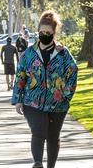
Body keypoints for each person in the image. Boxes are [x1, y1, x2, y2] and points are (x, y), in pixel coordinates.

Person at [12, 10, 78, 168]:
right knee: (38, 130)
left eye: (48, 32)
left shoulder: (63, 53)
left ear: (54, 33)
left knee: (53, 136)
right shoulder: (29, 53)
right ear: (37, 31)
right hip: (33, 101)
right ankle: (38, 163)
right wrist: (18, 100)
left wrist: (65, 95)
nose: (44, 34)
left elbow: (73, 72)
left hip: (57, 103)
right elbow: (20, 76)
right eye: (42, 32)